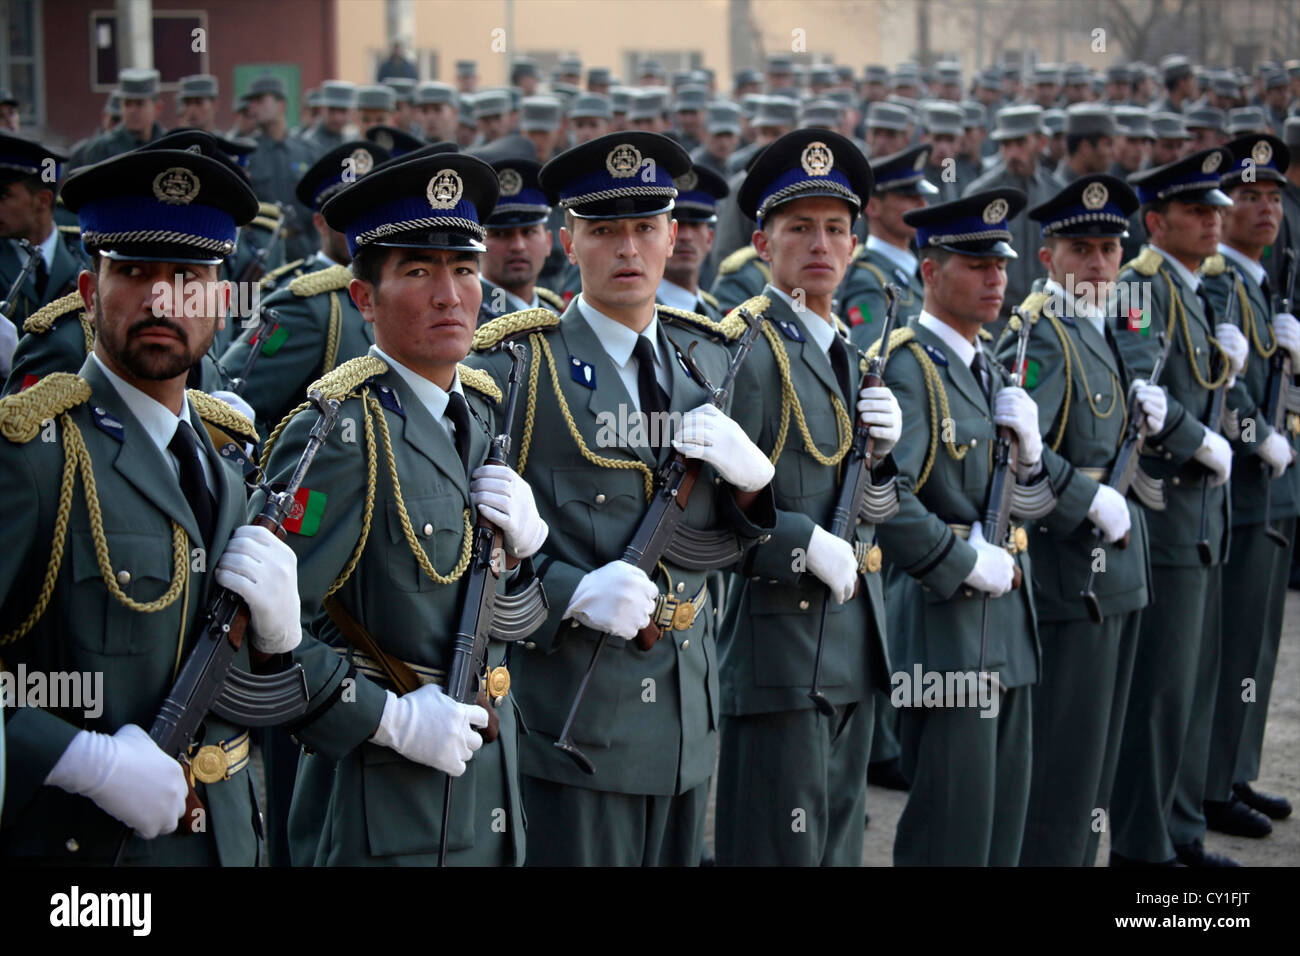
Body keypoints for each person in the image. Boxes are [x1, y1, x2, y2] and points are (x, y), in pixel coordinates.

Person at [466, 131, 776, 866]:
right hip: (576, 717)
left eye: (645, 228)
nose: (627, 249)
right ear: (568, 241)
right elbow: (471, 550)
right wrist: (570, 591)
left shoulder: (705, 358)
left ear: (674, 235)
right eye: (604, 231)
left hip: (686, 718)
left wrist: (759, 489)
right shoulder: (517, 366)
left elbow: (727, 542)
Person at [0, 145, 297, 865]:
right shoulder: (34, 455)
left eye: (189, 277)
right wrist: (79, 758)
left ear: (220, 302)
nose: (163, 301)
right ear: (88, 290)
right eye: (133, 272)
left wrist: (281, 643)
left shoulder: (227, 454)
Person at [258, 150, 547, 866]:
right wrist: (386, 720)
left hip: (485, 785)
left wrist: (526, 550)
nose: (450, 294)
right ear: (364, 298)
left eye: (463, 269)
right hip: (382, 800)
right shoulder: (340, 432)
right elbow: (264, 637)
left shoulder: (477, 411)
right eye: (418, 272)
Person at [712, 129, 901, 865]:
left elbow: (871, 510)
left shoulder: (848, 353)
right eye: (799, 228)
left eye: (835, 229)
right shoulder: (749, 348)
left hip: (850, 644)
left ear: (855, 245)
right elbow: (712, 516)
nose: (819, 244)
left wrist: (883, 466)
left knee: (835, 847)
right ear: (763, 242)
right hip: (780, 652)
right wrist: (800, 544)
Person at [875, 187, 1064, 865]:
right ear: (930, 271)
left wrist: (1035, 458)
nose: (995, 280)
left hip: (1006, 627)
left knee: (998, 830)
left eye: (1001, 265)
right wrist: (956, 561)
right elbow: (883, 494)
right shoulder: (909, 365)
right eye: (975, 265)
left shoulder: (985, 365)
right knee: (952, 831)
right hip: (948, 629)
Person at [1000, 174, 1162, 865]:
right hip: (1074, 579)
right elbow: (1024, 461)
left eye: (1108, 249)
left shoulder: (1100, 326)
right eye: (1081, 250)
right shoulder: (1042, 336)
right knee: (1066, 770)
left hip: (1117, 571)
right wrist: (1083, 497)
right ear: (1048, 257)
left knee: (1096, 764)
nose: (1097, 264)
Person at [1108, 147, 1245, 867]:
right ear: (1156, 221)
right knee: (1158, 697)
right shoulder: (1138, 285)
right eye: (1196, 212)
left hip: (1202, 520)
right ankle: (1141, 843)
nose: (1212, 223)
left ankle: (1182, 827)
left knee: (1190, 688)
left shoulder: (1196, 287)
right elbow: (1142, 392)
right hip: (1166, 513)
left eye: (1216, 211)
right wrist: (1202, 441)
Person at [1200, 134, 1297, 838]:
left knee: (1258, 645)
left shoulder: (1262, 284)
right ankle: (1210, 782)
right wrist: (1252, 433)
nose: (1264, 209)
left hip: (1274, 491)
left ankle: (1235, 769)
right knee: (1228, 648)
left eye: (1273, 197)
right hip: (1237, 495)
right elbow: (1206, 390)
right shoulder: (1215, 283)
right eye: (1249, 197)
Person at [220, 140, 391, 437]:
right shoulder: (305, 302)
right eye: (345, 213)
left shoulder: (391, 289)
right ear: (320, 222)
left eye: (372, 210)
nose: (361, 222)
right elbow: (234, 403)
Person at [965, 105, 1062, 319]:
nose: (1013, 153)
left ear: (1041, 142)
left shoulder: (1056, 192)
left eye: (1021, 143)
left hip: (1047, 313)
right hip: (997, 315)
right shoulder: (981, 193)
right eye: (1006, 145)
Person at [838, 144, 935, 349]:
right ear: (873, 207)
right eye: (909, 197)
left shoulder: (913, 267)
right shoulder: (868, 280)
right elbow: (870, 355)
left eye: (922, 197)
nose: (923, 205)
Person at [476, 156, 564, 324]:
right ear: (478, 244)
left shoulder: (554, 315)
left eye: (528, 232)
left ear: (548, 242)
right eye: (501, 234)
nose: (518, 246)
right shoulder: (466, 318)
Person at [656, 164, 728, 320]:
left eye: (695, 225)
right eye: (677, 225)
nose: (686, 236)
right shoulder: (639, 316)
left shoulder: (715, 316)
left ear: (710, 238)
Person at [75, 69, 167, 168]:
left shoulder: (168, 144)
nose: (132, 111)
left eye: (139, 104)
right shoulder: (103, 148)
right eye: (127, 104)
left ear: (157, 108)